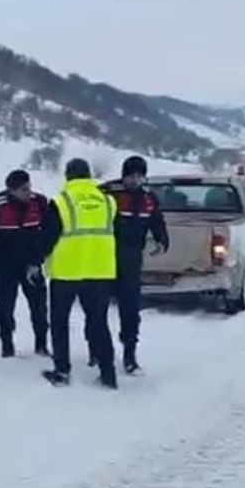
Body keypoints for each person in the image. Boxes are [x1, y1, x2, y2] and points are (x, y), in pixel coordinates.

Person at [38, 158, 120, 389]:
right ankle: (108, 375)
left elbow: (48, 238)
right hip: (100, 271)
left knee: (60, 323)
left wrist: (35, 258)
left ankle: (62, 371)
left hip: (66, 272)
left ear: (68, 176)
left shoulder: (61, 201)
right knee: (99, 323)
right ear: (89, 175)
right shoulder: (108, 201)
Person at [99, 155, 169, 375]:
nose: (135, 180)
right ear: (124, 176)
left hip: (132, 260)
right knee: (98, 308)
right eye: (131, 175)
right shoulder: (109, 194)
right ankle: (96, 351)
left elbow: (157, 222)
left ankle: (130, 356)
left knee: (130, 310)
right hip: (105, 257)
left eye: (140, 176)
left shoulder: (149, 198)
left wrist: (162, 240)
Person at [0, 169, 51, 358]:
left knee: (39, 306)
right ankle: (7, 346)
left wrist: (39, 257)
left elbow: (49, 232)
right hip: (5, 265)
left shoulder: (40, 202)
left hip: (32, 265)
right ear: (11, 190)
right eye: (23, 189)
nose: (28, 192)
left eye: (29, 187)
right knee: (5, 306)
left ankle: (41, 344)